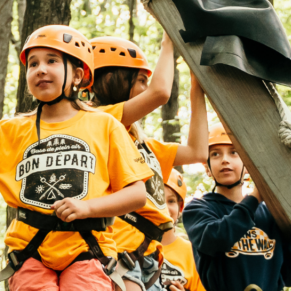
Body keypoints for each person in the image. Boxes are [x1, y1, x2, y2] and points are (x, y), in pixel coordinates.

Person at [0, 25, 154, 291]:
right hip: (30, 253)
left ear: (78, 75)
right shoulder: (11, 131)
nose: (40, 69)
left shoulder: (105, 126)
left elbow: (136, 194)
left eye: (52, 61)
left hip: (88, 249)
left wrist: (87, 208)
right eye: (33, 64)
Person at [88, 33, 208, 291]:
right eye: (141, 80)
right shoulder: (97, 121)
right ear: (114, 80)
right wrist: (169, 40)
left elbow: (198, 151)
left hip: (148, 258)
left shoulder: (143, 145)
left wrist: (197, 84)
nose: (146, 88)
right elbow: (161, 93)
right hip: (117, 252)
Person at [182, 127, 291, 291]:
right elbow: (215, 239)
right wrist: (255, 198)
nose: (225, 160)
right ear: (207, 168)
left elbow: (290, 276)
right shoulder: (198, 209)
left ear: (248, 166)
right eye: (215, 154)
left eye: (234, 152)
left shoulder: (271, 215)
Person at [159, 172, 205, 291]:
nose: (164, 208)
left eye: (171, 201)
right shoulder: (131, 244)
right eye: (158, 200)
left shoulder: (192, 253)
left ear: (180, 208)